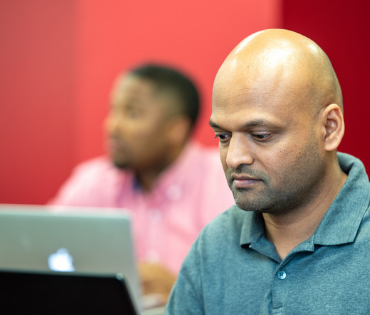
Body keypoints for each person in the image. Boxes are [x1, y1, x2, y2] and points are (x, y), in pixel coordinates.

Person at [166, 29, 370, 314]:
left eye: (261, 135)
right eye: (223, 136)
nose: (234, 157)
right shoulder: (213, 246)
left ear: (329, 128)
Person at [50, 63, 234, 306]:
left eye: (132, 113)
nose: (113, 126)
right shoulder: (93, 180)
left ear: (176, 130)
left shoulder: (224, 180)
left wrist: (183, 290)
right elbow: (40, 249)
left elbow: (249, 290)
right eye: (113, 111)